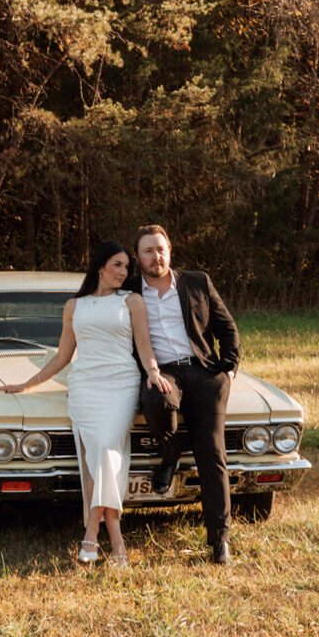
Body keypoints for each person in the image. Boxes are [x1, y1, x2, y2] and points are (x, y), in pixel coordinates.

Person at [0, 241, 171, 567]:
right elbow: (63, 356)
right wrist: (26, 384)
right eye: (117, 265)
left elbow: (145, 346)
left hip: (121, 385)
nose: (123, 273)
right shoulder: (74, 306)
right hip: (84, 388)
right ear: (100, 266)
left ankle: (93, 531)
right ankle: (116, 541)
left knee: (106, 449)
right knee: (98, 459)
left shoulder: (131, 301)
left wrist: (153, 372)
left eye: (126, 268)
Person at [124, 224, 240, 565]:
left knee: (212, 453)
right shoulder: (128, 291)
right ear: (137, 257)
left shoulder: (197, 282)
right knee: (156, 400)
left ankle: (219, 541)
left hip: (203, 371)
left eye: (161, 249)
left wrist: (229, 369)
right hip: (163, 371)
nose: (155, 256)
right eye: (148, 250)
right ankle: (171, 451)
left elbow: (227, 327)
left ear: (169, 251)